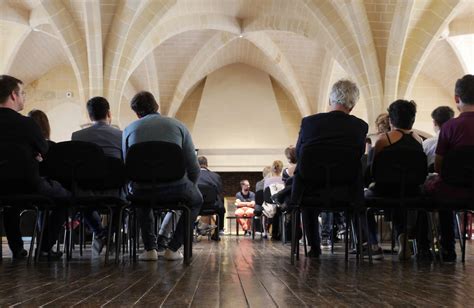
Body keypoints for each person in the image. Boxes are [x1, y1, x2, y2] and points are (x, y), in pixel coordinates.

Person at [123, 91, 202, 261]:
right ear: (157, 106)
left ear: (137, 113)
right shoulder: (179, 126)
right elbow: (194, 168)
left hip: (142, 190)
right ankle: (173, 249)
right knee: (196, 200)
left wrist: (132, 185)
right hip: (176, 188)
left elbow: (126, 166)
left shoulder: (129, 130)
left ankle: (150, 249)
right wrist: (189, 187)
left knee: (141, 199)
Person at [294, 79, 368, 258]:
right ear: (352, 105)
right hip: (346, 191)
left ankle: (313, 246)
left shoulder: (309, 123)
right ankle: (361, 242)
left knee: (304, 182)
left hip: (311, 191)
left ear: (330, 99)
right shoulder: (360, 127)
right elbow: (357, 156)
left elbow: (299, 155)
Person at [0, 75, 69, 260]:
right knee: (64, 197)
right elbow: (44, 149)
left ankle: (17, 249)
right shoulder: (27, 123)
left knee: (9, 204)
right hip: (28, 183)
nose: (24, 97)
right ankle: (45, 248)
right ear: (13, 95)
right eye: (22, 93)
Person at [367, 100, 429, 261]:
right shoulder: (419, 141)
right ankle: (409, 239)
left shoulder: (383, 140)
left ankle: (373, 244)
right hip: (412, 191)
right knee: (402, 196)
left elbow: (373, 171)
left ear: (391, 120)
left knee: (361, 201)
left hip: (385, 190)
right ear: (412, 119)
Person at [427, 74, 474, 262]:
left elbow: (439, 166)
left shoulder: (449, 127)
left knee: (435, 191)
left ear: (457, 99)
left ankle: (447, 249)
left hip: (452, 192)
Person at [71, 96, 123, 256]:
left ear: (89, 115)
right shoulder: (121, 135)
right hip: (114, 191)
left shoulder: (77, 136)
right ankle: (108, 235)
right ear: (109, 113)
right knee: (120, 206)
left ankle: (100, 233)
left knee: (83, 202)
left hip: (86, 190)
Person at [197, 155, 225, 236]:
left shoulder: (192, 175)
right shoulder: (216, 176)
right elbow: (219, 191)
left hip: (196, 207)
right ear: (207, 164)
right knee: (221, 206)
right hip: (212, 207)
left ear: (196, 164)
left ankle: (190, 229)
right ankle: (218, 231)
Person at [263, 160, 285, 239]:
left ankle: (274, 233)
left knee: (276, 210)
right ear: (281, 169)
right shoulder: (284, 180)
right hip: (282, 204)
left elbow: (265, 195)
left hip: (270, 206)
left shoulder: (267, 181)